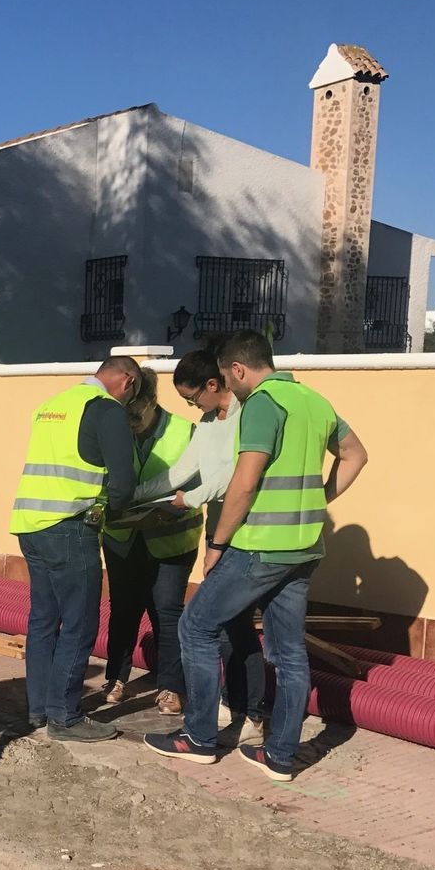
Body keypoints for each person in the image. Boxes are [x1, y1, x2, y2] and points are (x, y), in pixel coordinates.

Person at [146, 331, 369, 781]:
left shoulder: (263, 404)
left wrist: (217, 544)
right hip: (305, 546)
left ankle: (198, 738)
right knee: (288, 653)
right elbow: (356, 455)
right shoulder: (316, 402)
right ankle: (281, 755)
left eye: (228, 376)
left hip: (260, 545)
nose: (228, 385)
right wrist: (320, 499)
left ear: (238, 369)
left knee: (195, 626)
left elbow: (244, 483)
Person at [132, 348, 265, 742]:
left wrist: (187, 500)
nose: (192, 406)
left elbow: (234, 477)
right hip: (217, 527)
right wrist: (137, 495)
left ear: (213, 383)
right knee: (227, 625)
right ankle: (236, 707)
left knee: (221, 624)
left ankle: (247, 711)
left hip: (244, 529)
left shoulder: (246, 416)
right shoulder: (208, 422)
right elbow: (182, 470)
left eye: (193, 397)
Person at [9, 356, 139, 742]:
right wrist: (114, 511)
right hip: (69, 527)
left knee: (43, 621)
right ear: (127, 381)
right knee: (79, 624)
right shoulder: (107, 411)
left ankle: (39, 709)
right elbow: (123, 483)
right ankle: (65, 716)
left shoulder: (53, 406)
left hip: (31, 525)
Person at [99, 372, 202, 716]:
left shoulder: (187, 433)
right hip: (122, 538)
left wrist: (173, 506)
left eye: (135, 415)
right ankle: (115, 678)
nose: (129, 423)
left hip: (171, 539)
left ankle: (172, 686)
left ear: (152, 403)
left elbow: (202, 485)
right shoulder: (111, 428)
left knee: (167, 611)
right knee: (123, 608)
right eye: (124, 413)